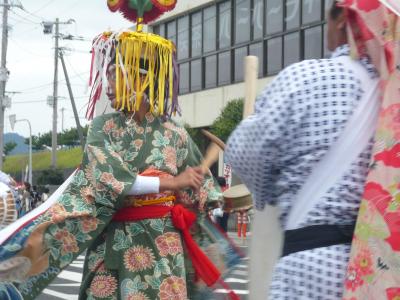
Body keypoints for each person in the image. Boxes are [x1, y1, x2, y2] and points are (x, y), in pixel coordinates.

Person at [0, 6, 241, 300]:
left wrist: (220, 200)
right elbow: (108, 180)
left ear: (140, 81)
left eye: (114, 77)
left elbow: (200, 187)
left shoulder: (175, 133)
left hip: (164, 250)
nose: (107, 87)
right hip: (115, 244)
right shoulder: (103, 128)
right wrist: (172, 183)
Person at [225, 1, 389, 299]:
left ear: (343, 19)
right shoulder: (390, 97)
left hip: (309, 264)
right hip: (375, 272)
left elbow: (243, 151)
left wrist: (269, 191)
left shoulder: (305, 78)